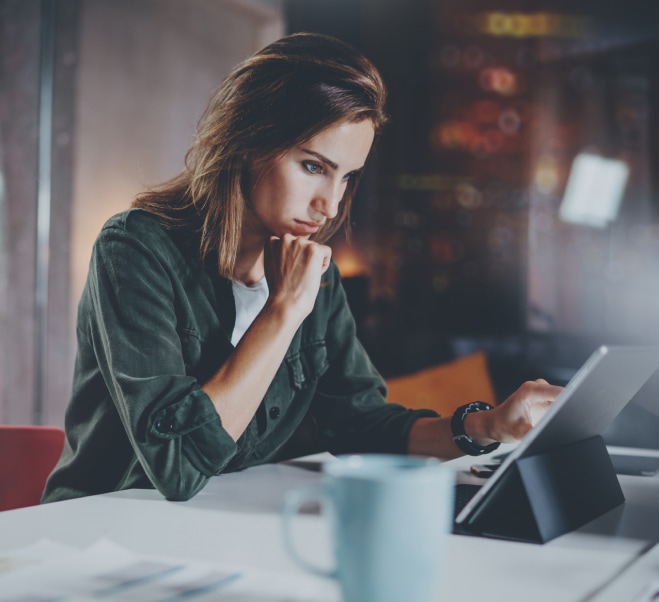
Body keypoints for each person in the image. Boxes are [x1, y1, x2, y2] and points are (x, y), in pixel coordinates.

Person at [42, 32, 562, 503]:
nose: (329, 206)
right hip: (104, 529)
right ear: (248, 141)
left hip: (226, 529)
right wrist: (283, 309)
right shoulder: (135, 248)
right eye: (314, 167)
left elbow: (360, 424)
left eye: (346, 178)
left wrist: (489, 425)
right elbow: (178, 464)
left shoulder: (316, 270)